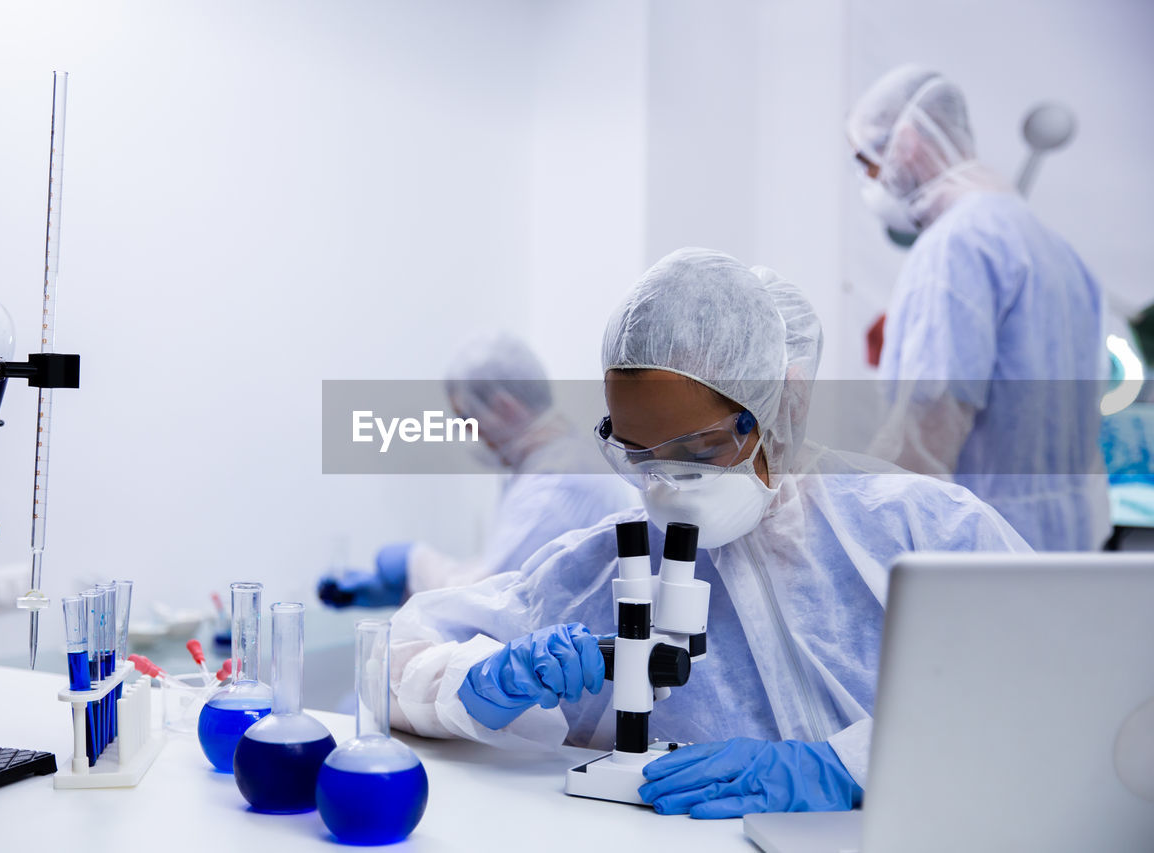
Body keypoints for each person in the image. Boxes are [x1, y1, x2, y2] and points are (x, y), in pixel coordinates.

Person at [387, 248, 1029, 819]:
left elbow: (1053, 682)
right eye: (640, 455)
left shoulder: (924, 527)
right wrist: (477, 681)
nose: (668, 484)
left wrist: (851, 764)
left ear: (785, 406)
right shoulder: (606, 563)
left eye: (699, 448)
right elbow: (390, 667)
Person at [849, 64, 1111, 551]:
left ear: (906, 144)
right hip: (1071, 542)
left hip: (987, 552)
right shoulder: (1054, 248)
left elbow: (929, 416)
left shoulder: (957, 244)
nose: (868, 180)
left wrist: (858, 526)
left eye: (868, 161)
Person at [318, 332, 634, 608]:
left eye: (467, 420)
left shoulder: (556, 484)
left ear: (503, 407)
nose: (471, 435)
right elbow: (510, 571)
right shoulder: (551, 465)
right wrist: (403, 590)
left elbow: (492, 598)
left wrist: (417, 563)